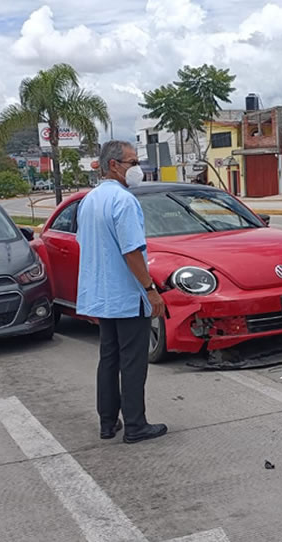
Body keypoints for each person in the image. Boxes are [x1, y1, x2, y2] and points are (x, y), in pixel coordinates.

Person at [76, 140, 168, 444]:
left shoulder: (90, 200)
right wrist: (150, 290)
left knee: (109, 358)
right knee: (132, 361)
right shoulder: (124, 201)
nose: (137, 169)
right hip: (126, 296)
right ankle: (135, 425)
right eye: (132, 163)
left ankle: (107, 422)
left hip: (102, 297)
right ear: (113, 165)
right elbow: (132, 252)